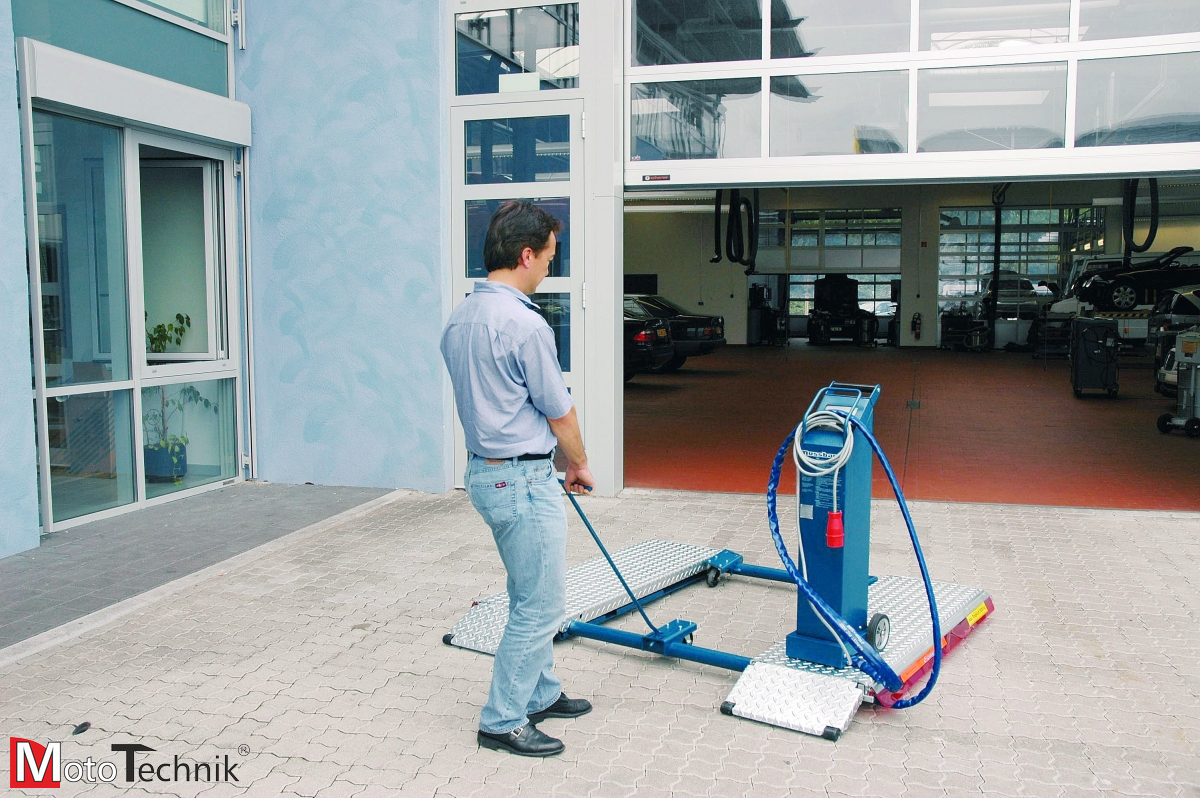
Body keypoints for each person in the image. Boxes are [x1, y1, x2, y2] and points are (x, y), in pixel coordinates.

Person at [440, 200, 595, 757]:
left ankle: (540, 693)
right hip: (523, 483)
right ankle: (502, 719)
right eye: (550, 258)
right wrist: (577, 463)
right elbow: (560, 412)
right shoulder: (525, 325)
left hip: (488, 475)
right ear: (526, 255)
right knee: (542, 603)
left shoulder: (460, 318)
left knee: (528, 589)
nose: (551, 268)